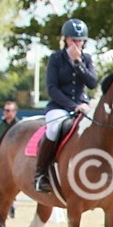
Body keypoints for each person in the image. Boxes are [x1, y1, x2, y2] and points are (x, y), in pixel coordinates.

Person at [35, 18, 97, 192]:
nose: (76, 43)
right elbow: (52, 88)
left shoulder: (86, 59)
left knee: (105, 126)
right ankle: (41, 174)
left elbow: (92, 83)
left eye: (79, 40)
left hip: (83, 105)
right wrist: (72, 106)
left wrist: (78, 63)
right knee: (54, 129)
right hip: (59, 106)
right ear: (66, 40)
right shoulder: (56, 59)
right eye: (73, 40)